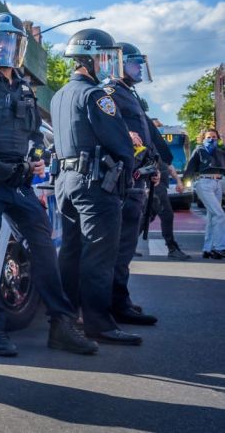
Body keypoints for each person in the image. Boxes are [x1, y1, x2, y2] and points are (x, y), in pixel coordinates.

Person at [0, 13, 97, 357]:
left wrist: (39, 157)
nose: (2, 47)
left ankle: (61, 324)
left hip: (19, 184)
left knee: (44, 249)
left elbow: (34, 136)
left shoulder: (25, 89)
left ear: (18, 48)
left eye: (9, 41)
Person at [51, 29, 141, 345]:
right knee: (99, 256)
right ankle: (99, 324)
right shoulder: (97, 95)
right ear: (90, 60)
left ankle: (64, 320)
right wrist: (130, 171)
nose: (108, 66)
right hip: (95, 185)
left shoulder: (60, 94)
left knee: (71, 254)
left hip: (66, 181)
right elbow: (120, 143)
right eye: (104, 58)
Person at [101, 43, 160, 326]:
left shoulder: (128, 93)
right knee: (120, 248)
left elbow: (145, 136)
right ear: (119, 64)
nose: (138, 69)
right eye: (134, 63)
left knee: (125, 248)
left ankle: (120, 299)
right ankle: (116, 304)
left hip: (139, 175)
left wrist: (154, 165)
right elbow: (112, 130)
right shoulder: (110, 91)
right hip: (125, 181)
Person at [149, 120, 191, 260]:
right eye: (156, 127)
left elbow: (169, 166)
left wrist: (179, 181)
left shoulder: (160, 147)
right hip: (154, 186)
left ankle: (126, 245)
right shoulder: (147, 145)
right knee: (167, 215)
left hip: (161, 186)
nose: (159, 130)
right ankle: (172, 248)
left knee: (145, 218)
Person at [184, 129, 225, 259]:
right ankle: (219, 248)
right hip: (204, 183)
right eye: (208, 137)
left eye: (214, 137)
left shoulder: (220, 153)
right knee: (219, 214)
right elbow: (190, 167)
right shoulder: (199, 151)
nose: (211, 139)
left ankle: (207, 249)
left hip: (218, 183)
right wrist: (184, 183)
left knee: (212, 216)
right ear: (203, 139)